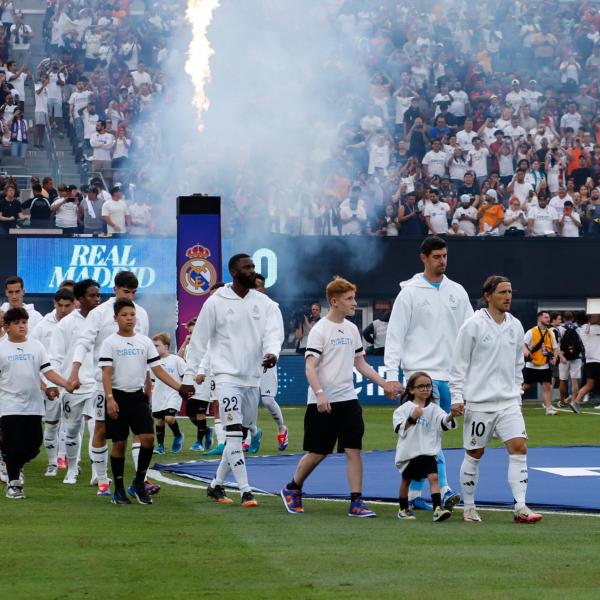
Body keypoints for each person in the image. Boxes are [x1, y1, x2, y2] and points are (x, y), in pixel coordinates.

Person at [180, 254, 284, 507]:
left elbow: (274, 334)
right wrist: (188, 376)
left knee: (242, 431)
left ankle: (215, 485)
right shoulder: (216, 303)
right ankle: (246, 491)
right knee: (234, 433)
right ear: (234, 272)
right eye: (247, 268)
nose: (252, 271)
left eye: (253, 267)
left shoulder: (266, 303)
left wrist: (273, 353)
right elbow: (199, 340)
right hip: (225, 376)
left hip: (252, 378)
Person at [280, 276, 386, 517]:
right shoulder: (319, 331)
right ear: (334, 301)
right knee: (318, 452)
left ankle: (356, 501)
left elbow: (361, 364)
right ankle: (293, 488)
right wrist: (319, 394)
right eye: (349, 299)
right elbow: (310, 367)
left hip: (348, 399)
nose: (354, 303)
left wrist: (384, 383)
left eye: (354, 298)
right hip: (323, 401)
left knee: (353, 450)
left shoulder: (352, 329)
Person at [384, 236, 473, 511]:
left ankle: (412, 496)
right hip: (421, 375)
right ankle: (444, 490)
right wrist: (390, 374)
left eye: (445, 255)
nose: (442, 261)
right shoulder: (409, 292)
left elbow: (471, 332)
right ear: (424, 258)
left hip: (450, 376)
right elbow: (395, 335)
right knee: (431, 434)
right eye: (436, 256)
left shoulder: (457, 291)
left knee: (428, 437)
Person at [450, 275, 543, 524]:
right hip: (479, 403)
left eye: (510, 292)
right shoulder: (472, 325)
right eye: (502, 292)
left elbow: (516, 366)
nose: (508, 296)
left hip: (509, 402)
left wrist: (517, 396)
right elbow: (458, 365)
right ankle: (469, 507)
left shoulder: (516, 326)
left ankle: (521, 507)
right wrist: (457, 397)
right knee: (475, 453)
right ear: (488, 296)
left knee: (519, 448)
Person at [67, 271, 153, 496]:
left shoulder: (141, 313)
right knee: (101, 428)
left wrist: (148, 382)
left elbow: (145, 350)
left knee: (139, 432)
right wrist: (74, 372)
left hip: (133, 384)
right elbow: (83, 343)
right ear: (115, 289)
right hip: (103, 383)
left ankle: (140, 479)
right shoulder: (99, 313)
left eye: (134, 292)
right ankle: (102, 478)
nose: (130, 295)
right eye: (126, 291)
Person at [99, 300, 189, 505]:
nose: (129, 318)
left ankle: (139, 483)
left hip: (137, 398)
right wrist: (110, 399)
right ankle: (119, 490)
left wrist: (179, 387)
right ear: (115, 319)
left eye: (132, 314)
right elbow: (106, 373)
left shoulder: (144, 342)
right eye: (124, 314)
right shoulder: (110, 342)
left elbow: (157, 370)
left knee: (148, 439)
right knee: (119, 444)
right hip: (117, 397)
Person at [0, 307, 73, 499]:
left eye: (24, 322)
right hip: (9, 405)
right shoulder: (1, 348)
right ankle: (14, 484)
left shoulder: (36, 346)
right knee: (13, 445)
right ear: (6, 327)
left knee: (33, 445)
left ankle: (10, 460)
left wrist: (63, 384)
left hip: (33, 404)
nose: (22, 326)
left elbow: (47, 372)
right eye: (16, 323)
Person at [48, 279, 101, 484]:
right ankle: (72, 468)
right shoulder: (66, 324)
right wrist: (57, 383)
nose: (97, 299)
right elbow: (55, 357)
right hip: (73, 386)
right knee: (71, 430)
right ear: (79, 299)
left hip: (97, 384)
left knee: (97, 427)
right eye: (92, 295)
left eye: (98, 295)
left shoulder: (105, 320)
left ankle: (98, 471)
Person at [394, 371, 457, 521]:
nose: (425, 389)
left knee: (434, 478)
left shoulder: (434, 408)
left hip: (428, 451)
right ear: (411, 389)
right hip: (410, 452)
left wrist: (451, 416)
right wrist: (412, 418)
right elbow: (399, 429)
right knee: (406, 480)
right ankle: (403, 509)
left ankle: (437, 509)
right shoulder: (403, 409)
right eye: (421, 386)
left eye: (428, 386)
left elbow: (443, 422)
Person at [30, 289, 75, 477]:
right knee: (51, 424)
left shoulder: (79, 325)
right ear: (54, 304)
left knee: (73, 424)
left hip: (72, 382)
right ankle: (52, 464)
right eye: (60, 305)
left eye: (67, 306)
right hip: (50, 384)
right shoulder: (42, 326)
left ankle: (71, 463)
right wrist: (44, 384)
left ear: (74, 305)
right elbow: (32, 353)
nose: (63, 309)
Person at [253, 273, 288, 451]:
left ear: (263, 289)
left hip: (266, 360)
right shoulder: (243, 307)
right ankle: (248, 435)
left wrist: (272, 353)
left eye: (257, 286)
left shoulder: (272, 307)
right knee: (247, 401)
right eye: (252, 287)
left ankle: (282, 429)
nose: (254, 290)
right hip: (247, 361)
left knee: (267, 400)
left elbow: (277, 334)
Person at [150, 332, 185, 454]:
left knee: (169, 418)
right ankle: (160, 446)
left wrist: (186, 390)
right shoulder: (153, 362)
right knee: (159, 421)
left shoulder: (176, 360)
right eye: (153, 346)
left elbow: (185, 376)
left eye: (157, 345)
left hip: (173, 393)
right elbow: (152, 380)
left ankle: (178, 435)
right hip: (158, 395)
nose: (154, 348)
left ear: (165, 346)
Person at [523, 311, 559, 416]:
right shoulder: (531, 332)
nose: (548, 319)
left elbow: (555, 348)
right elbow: (523, 344)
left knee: (547, 386)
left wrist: (555, 358)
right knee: (526, 387)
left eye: (548, 317)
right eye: (546, 317)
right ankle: (515, 404)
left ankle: (548, 409)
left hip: (545, 365)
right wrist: (525, 350)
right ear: (539, 318)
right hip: (532, 365)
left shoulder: (550, 333)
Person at [570, 315, 600, 414]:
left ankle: (576, 402)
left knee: (589, 385)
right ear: (590, 318)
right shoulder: (595, 328)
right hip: (597, 361)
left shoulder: (582, 329)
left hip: (590, 362)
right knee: (589, 385)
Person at [555, 311, 584, 409]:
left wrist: (561, 357)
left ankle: (562, 401)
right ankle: (573, 401)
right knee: (574, 380)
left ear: (563, 319)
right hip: (576, 358)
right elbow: (582, 343)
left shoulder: (560, 329)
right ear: (573, 319)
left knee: (563, 380)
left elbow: (557, 345)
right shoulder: (579, 329)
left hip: (564, 358)